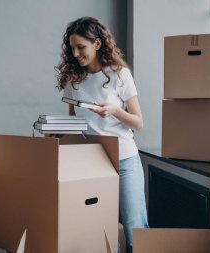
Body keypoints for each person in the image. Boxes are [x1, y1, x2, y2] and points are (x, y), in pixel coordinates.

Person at [55, 16, 149, 253]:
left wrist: (115, 111)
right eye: (72, 48)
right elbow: (74, 123)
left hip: (125, 159)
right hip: (92, 163)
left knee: (135, 228)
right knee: (99, 228)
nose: (76, 54)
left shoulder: (120, 74)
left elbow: (138, 122)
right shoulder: (73, 80)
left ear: (97, 44)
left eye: (81, 47)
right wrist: (56, 132)